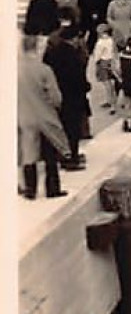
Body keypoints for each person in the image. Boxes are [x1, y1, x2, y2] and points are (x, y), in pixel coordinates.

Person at [18, 35, 70, 199]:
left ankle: (30, 189)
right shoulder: (44, 70)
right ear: (37, 48)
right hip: (44, 116)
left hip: (24, 116)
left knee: (29, 152)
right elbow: (56, 98)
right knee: (50, 154)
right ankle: (52, 188)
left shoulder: (14, 70)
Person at [43, 21, 91, 171]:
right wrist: (86, 86)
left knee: (62, 127)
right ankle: (72, 159)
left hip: (58, 96)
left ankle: (64, 155)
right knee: (73, 129)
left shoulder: (52, 52)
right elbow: (77, 77)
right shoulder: (72, 55)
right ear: (74, 38)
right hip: (73, 97)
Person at [93, 23, 117, 113]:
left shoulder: (100, 43)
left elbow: (97, 55)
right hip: (110, 62)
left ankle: (111, 103)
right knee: (110, 83)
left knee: (106, 84)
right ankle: (110, 101)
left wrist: (96, 62)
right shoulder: (111, 40)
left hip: (102, 62)